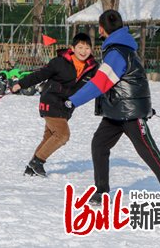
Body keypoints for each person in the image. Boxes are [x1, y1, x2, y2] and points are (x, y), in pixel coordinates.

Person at [67, 10, 160, 203]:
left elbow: (99, 83)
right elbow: (134, 81)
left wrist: (73, 101)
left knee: (148, 151)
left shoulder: (117, 52)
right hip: (115, 111)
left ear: (101, 29)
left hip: (129, 114)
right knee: (99, 144)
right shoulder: (122, 48)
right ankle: (101, 191)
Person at [11, 33, 98, 177]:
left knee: (49, 137)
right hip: (50, 102)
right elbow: (39, 75)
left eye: (87, 48)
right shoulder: (60, 62)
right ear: (72, 48)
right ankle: (38, 162)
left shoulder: (92, 68)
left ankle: (31, 167)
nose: (83, 51)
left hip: (66, 107)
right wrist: (20, 84)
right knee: (62, 135)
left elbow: (100, 84)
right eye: (80, 47)